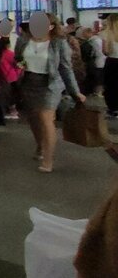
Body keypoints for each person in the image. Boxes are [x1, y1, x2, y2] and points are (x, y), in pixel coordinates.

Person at [15, 13, 86, 173]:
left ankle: (48, 159)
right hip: (28, 82)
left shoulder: (59, 43)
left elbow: (66, 69)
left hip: (50, 85)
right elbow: (18, 58)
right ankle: (40, 144)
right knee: (33, 119)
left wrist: (75, 92)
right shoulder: (23, 40)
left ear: (51, 27)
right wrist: (22, 66)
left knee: (46, 119)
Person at [0, 37, 22, 119]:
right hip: (12, 77)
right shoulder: (10, 54)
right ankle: (12, 111)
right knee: (11, 95)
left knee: (4, 95)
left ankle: (2, 112)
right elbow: (19, 64)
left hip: (2, 78)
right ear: (7, 45)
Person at [101, 14, 118, 115]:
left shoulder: (105, 34)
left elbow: (105, 51)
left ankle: (113, 108)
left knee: (111, 86)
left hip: (112, 62)